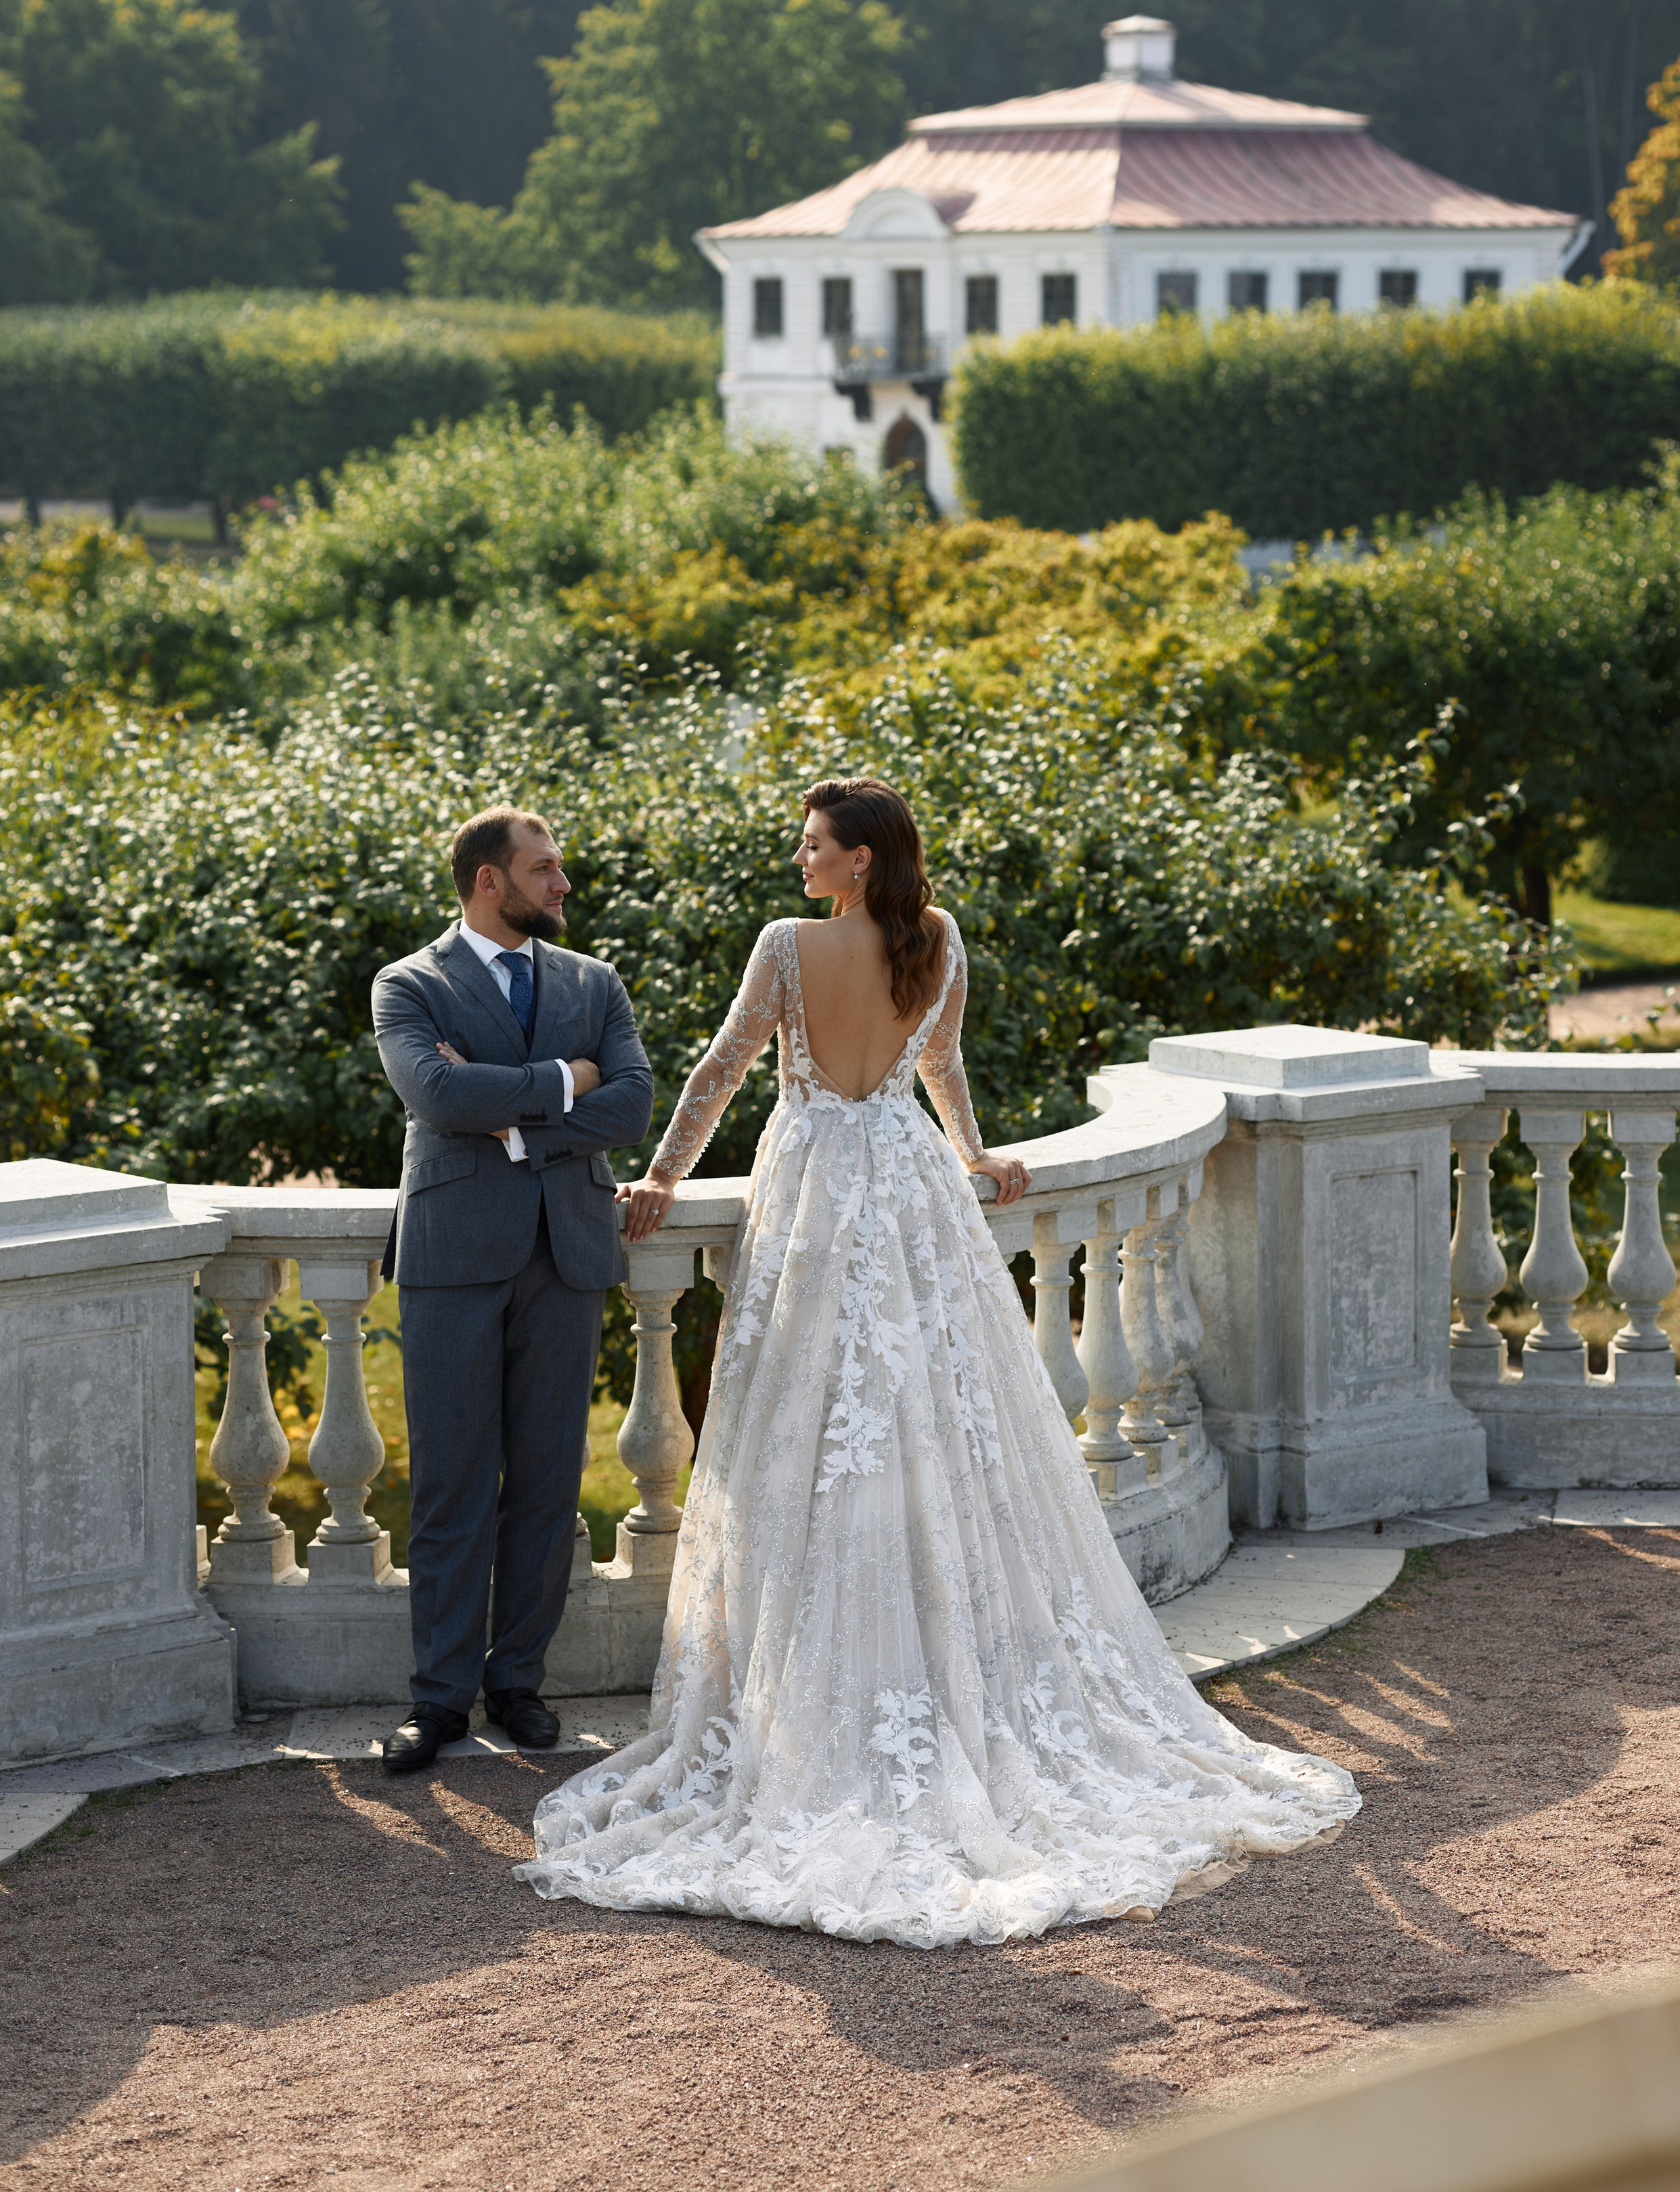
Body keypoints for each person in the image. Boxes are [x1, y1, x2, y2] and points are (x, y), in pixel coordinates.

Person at [517, 777, 1357, 1946]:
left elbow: (718, 1070)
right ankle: (927, 1662)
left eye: (816, 845)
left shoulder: (787, 945)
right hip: (909, 1186)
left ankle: (837, 1691)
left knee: (815, 1429)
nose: (800, 858)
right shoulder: (940, 939)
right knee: (929, 1418)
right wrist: (975, 1151)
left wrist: (662, 1176)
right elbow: (940, 1067)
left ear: (861, 860)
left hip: (815, 1186)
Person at [371, 805, 653, 1775]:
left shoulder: (594, 981)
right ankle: (438, 1699)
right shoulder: (409, 984)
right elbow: (438, 1099)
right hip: (452, 1255)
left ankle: (517, 1682)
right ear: (489, 880)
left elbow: (632, 1100)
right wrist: (564, 1079)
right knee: (451, 1481)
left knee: (545, 1480)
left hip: (567, 1253)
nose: (562, 884)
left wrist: (523, 1113)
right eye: (544, 870)